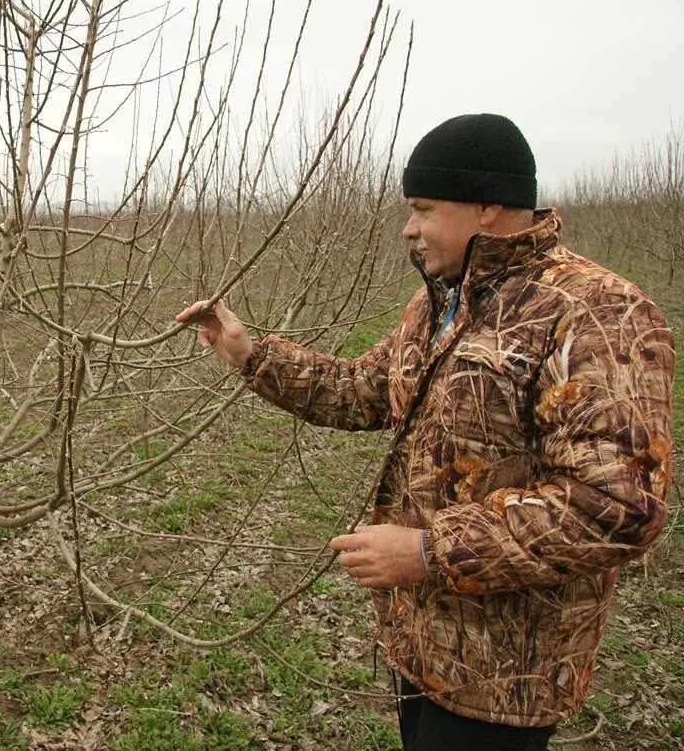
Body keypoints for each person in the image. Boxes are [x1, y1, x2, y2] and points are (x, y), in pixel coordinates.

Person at [176, 114, 674, 750]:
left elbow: (618, 508)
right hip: (424, 641)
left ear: (488, 205)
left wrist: (426, 552)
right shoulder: (443, 300)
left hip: (503, 675)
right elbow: (364, 390)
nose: (408, 228)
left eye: (423, 208)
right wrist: (250, 353)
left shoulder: (598, 313)